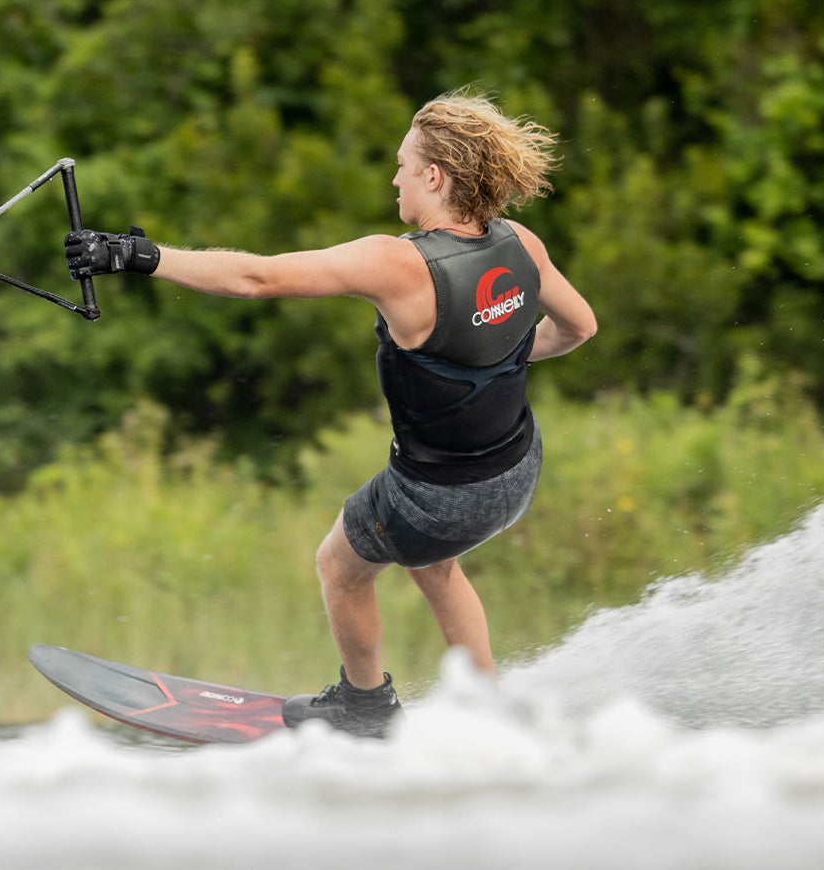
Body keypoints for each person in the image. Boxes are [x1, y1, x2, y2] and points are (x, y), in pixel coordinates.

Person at [65, 89, 597, 737]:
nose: (394, 176)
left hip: (437, 494)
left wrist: (137, 255)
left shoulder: (399, 263)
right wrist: (501, 356)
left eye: (403, 164)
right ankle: (486, 712)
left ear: (435, 176)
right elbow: (578, 328)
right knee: (435, 562)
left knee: (341, 565)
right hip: (516, 472)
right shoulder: (521, 244)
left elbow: (257, 279)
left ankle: (363, 706)